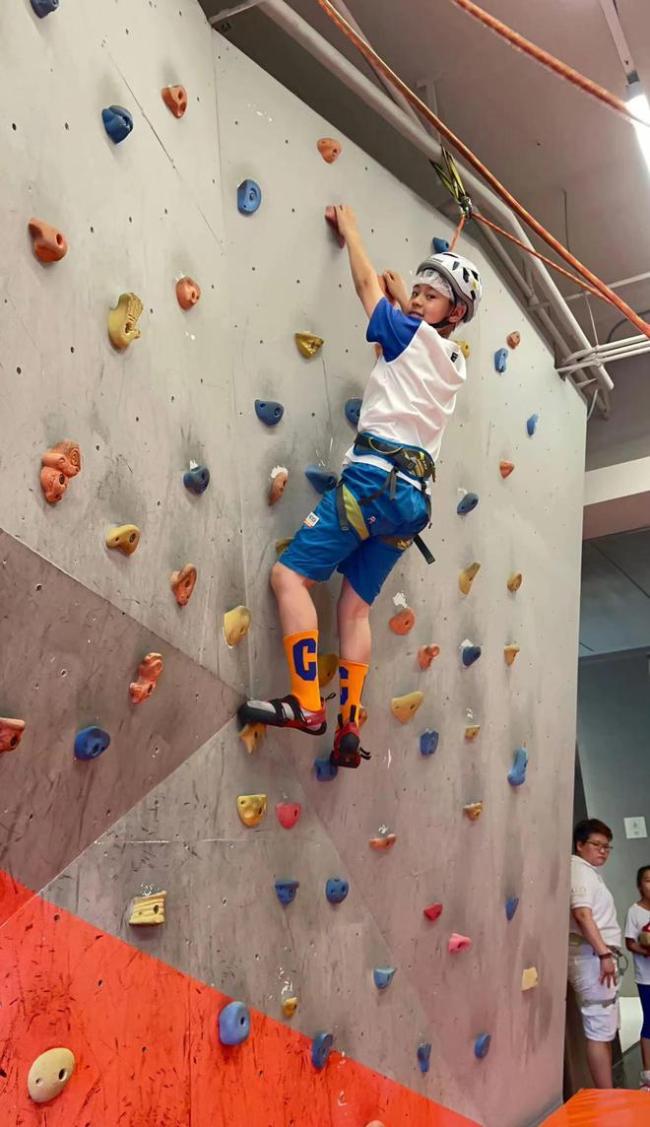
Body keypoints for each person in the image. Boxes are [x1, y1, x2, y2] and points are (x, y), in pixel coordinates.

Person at [239, 205, 482, 766]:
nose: (418, 299)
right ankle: (348, 724)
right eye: (417, 292)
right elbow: (397, 360)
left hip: (373, 483)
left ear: (455, 313)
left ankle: (307, 705)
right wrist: (407, 304)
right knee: (353, 609)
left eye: (432, 296)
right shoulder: (450, 362)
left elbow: (367, 288)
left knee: (289, 577)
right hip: (411, 504)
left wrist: (352, 231)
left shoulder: (411, 335)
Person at [569, 818, 621, 1088]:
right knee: (599, 1028)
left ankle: (609, 1092)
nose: (603, 851)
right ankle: (606, 1096)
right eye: (597, 845)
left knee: (605, 1027)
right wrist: (603, 954)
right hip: (591, 956)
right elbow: (581, 914)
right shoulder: (578, 871)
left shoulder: (588, 872)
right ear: (580, 845)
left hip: (596, 955)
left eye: (607, 847)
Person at [624, 865, 650, 1090]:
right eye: (648, 880)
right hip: (647, 978)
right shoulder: (635, 912)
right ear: (639, 885)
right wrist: (646, 951)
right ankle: (647, 1075)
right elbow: (630, 943)